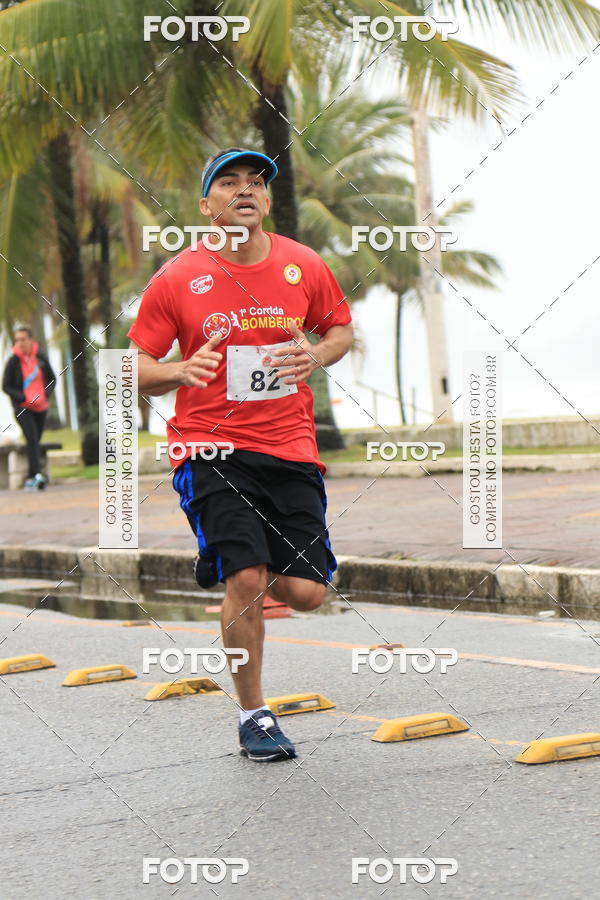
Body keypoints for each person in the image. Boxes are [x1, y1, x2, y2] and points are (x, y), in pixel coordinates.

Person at [128, 147, 353, 762]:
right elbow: (134, 366)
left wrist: (316, 355)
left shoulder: (303, 264)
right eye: (228, 183)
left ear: (268, 201)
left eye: (256, 182)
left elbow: (339, 329)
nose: (245, 190)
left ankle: (231, 563)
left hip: (290, 447)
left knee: (307, 594)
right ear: (208, 206)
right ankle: (254, 714)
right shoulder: (177, 277)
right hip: (209, 449)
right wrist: (178, 370)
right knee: (248, 578)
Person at [2, 324, 56, 490]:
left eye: (23, 339)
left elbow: (52, 379)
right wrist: (22, 397)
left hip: (40, 407)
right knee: (32, 438)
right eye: (17, 340)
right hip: (23, 408)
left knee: (35, 440)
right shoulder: (13, 361)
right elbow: (6, 386)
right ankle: (36, 476)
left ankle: (32, 475)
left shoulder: (41, 357)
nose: (20, 343)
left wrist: (44, 395)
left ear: (31, 340)